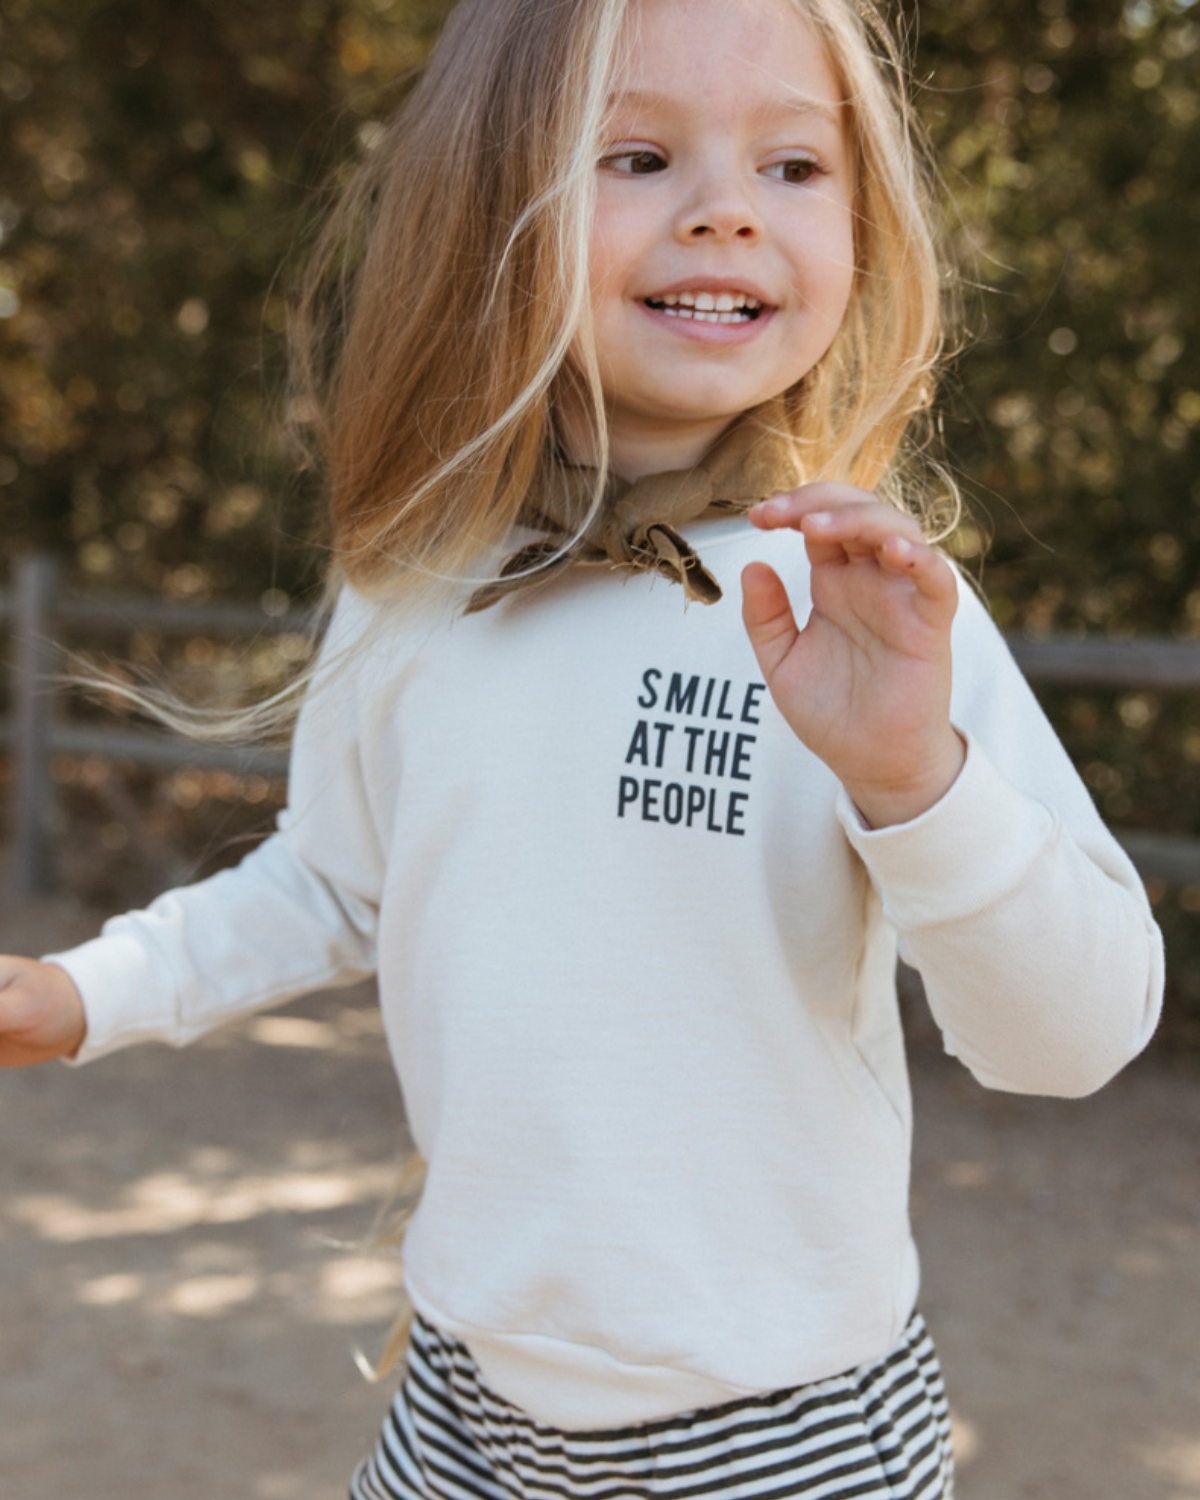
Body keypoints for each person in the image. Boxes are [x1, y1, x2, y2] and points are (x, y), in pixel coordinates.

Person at [0, 0, 1164, 1496]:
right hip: (463, 1404)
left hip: (781, 1434)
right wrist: (85, 994)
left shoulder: (867, 612)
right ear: (488, 203)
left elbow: (1074, 1040)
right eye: (639, 155)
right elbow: (335, 882)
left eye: (795, 167)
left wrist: (912, 780)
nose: (728, 210)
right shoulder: (415, 582)